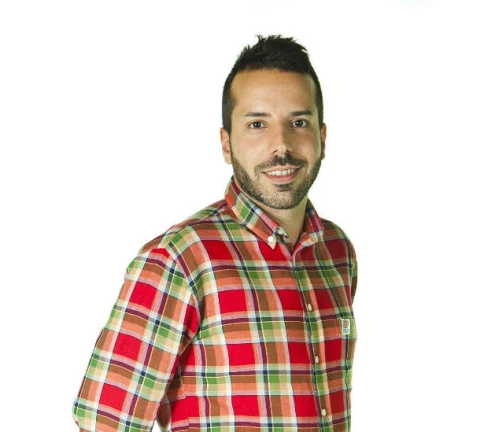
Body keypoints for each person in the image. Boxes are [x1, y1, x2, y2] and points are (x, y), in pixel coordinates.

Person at [72, 35, 358, 432]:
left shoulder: (335, 251)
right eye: (257, 124)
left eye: (298, 123)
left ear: (322, 138)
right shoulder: (180, 259)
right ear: (226, 144)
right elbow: (104, 423)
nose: (281, 144)